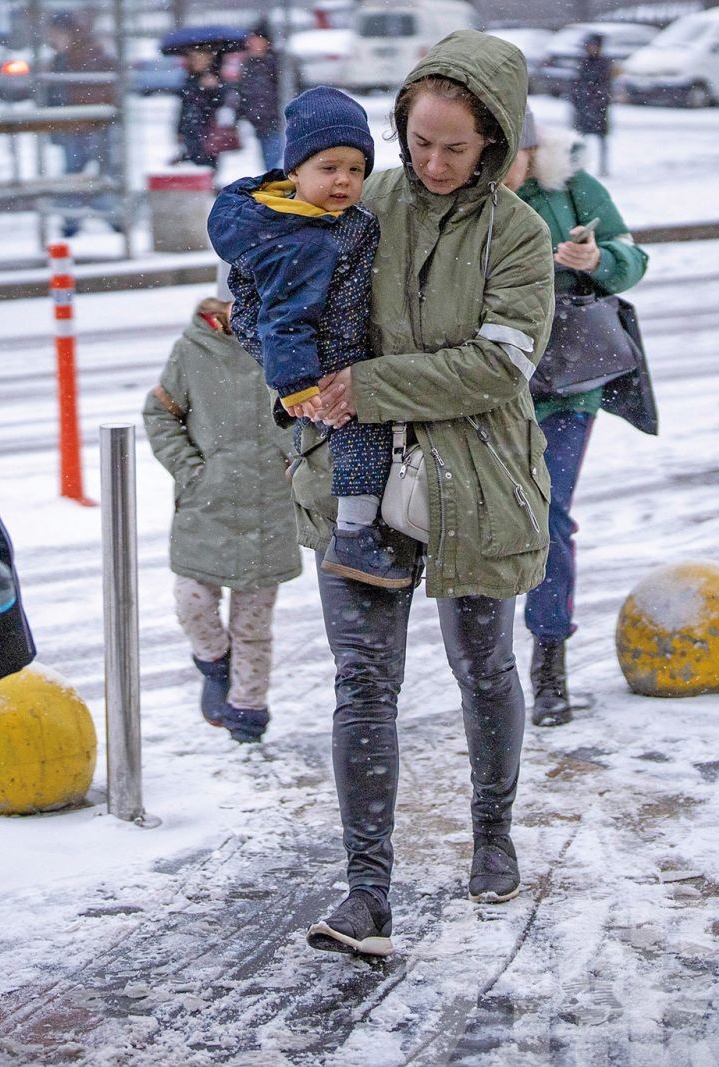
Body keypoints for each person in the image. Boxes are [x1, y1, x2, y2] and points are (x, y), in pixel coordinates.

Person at [289, 32, 554, 958]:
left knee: (483, 663)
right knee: (363, 681)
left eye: (456, 146)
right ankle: (366, 889)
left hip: (475, 481)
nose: (434, 162)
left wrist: (370, 382)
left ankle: (492, 830)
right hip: (355, 478)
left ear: (493, 142)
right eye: (421, 141)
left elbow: (500, 364)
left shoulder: (518, 235)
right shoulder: (369, 201)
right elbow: (291, 282)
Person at [209, 87, 405, 590]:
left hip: (337, 348)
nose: (343, 180)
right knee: (363, 438)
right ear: (294, 171)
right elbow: (285, 319)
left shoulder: (297, 217)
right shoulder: (303, 240)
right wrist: (301, 385)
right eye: (328, 168)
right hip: (328, 359)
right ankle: (355, 537)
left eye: (356, 170)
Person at [504, 109, 650, 727]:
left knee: (547, 514)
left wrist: (595, 259)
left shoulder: (572, 189)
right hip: (489, 387)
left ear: (533, 150)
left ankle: (549, 660)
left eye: (510, 157)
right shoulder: (462, 197)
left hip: (566, 384)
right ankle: (488, 665)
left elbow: (630, 256)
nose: (499, 173)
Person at [142, 278, 300, 744]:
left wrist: (296, 468)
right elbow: (160, 414)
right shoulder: (193, 350)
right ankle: (213, 663)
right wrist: (192, 471)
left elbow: (311, 417)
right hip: (207, 506)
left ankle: (248, 712)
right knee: (193, 602)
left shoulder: (289, 342)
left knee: (253, 626)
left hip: (271, 508)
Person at [46, 11, 121, 237]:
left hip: (85, 126)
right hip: (82, 125)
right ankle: (106, 214)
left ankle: (82, 217)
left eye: (56, 34)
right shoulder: (77, 56)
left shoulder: (76, 57)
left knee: (80, 172)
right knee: (89, 172)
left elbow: (95, 90)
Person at [237, 24, 285, 173]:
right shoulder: (248, 64)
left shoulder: (275, 63)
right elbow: (243, 93)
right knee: (268, 162)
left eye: (255, 39)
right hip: (259, 122)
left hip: (274, 121)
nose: (251, 44)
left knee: (274, 161)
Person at [175, 47, 229, 174]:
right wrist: (179, 130)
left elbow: (221, 104)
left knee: (208, 167)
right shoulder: (189, 80)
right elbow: (184, 107)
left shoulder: (215, 80)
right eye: (194, 59)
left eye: (200, 59)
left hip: (207, 132)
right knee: (192, 167)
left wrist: (213, 88)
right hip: (191, 130)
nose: (196, 62)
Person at [571, 32, 613, 176]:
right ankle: (580, 167)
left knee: (601, 138)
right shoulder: (584, 62)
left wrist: (599, 99)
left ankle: (603, 167)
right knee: (581, 138)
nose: (590, 49)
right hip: (584, 105)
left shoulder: (603, 63)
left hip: (598, 106)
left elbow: (605, 84)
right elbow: (577, 82)